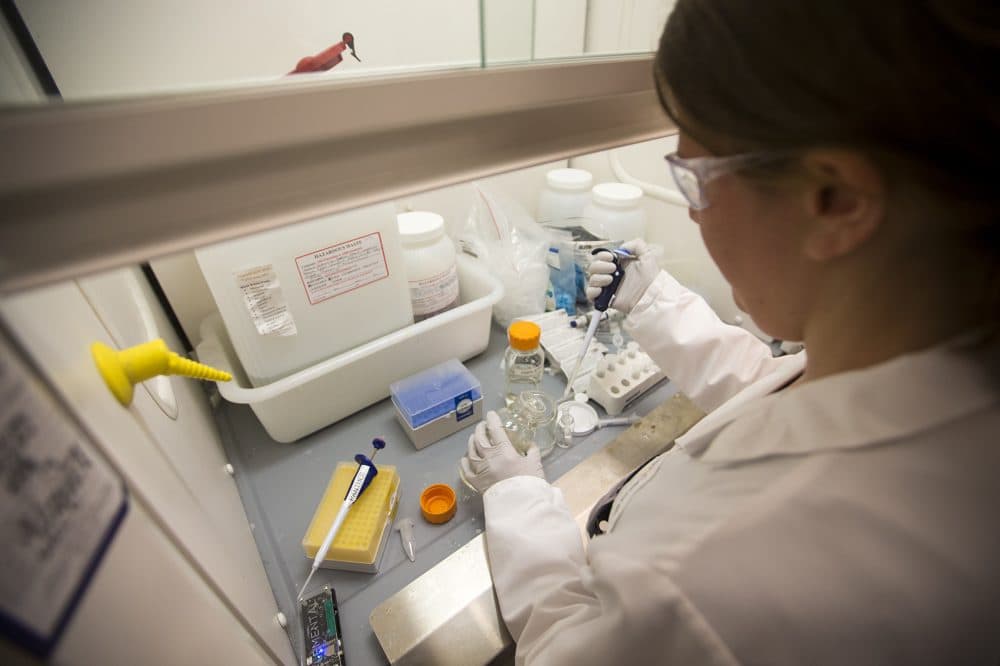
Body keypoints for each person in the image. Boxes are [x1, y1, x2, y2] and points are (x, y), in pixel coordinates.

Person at [459, 1, 1000, 663]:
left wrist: (517, 500)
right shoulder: (947, 355)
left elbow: (565, 649)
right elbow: (777, 389)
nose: (694, 210)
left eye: (695, 177)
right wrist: (652, 301)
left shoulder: (712, 576)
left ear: (835, 200)